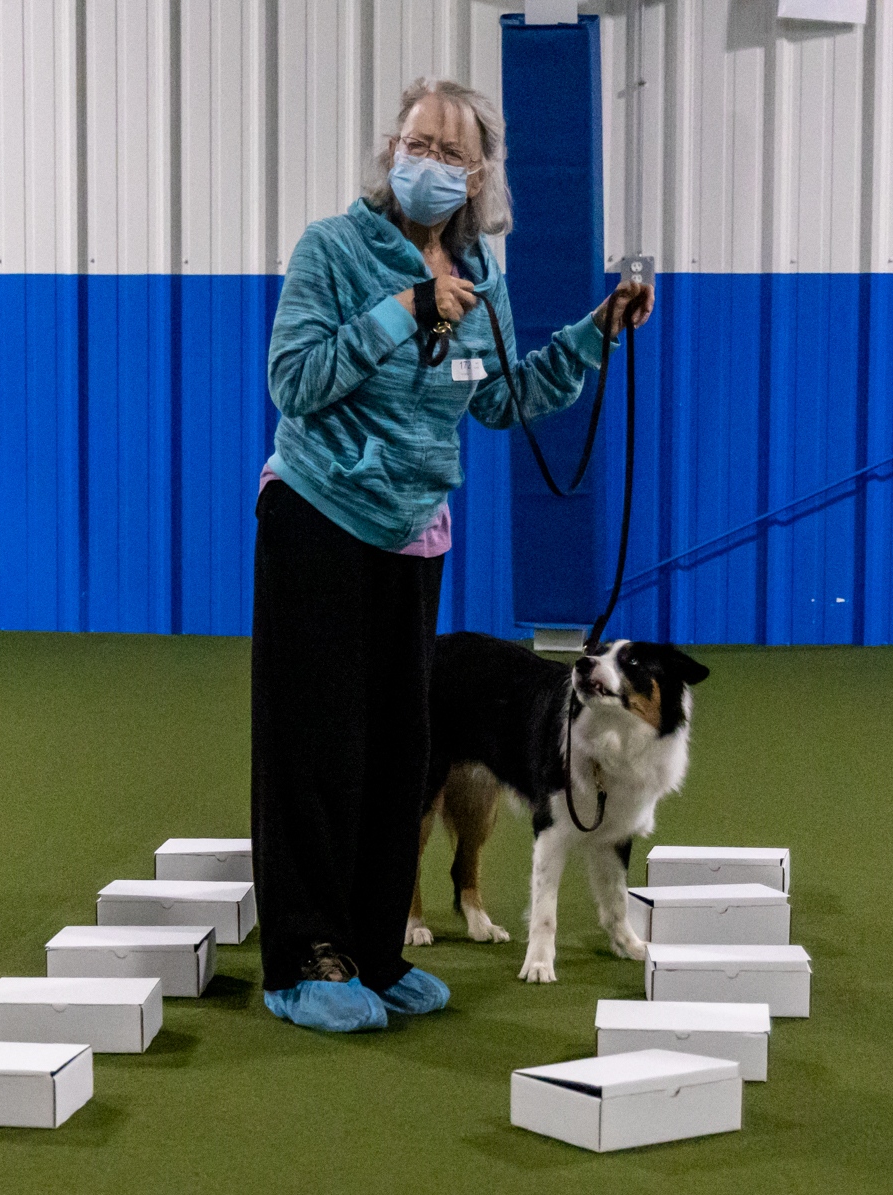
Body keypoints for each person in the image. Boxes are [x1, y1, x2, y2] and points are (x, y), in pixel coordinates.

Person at [251, 77, 654, 1033]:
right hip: (317, 516)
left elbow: (504, 398)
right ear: (390, 151)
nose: (426, 162)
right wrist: (404, 308)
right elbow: (293, 380)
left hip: (413, 534)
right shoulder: (331, 249)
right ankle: (305, 956)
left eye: (448, 151)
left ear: (478, 177)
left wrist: (593, 335)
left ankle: (373, 948)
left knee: (399, 751)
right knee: (317, 746)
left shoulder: (482, 277)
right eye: (415, 143)